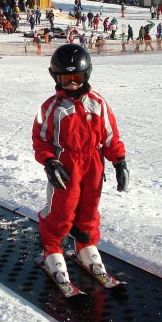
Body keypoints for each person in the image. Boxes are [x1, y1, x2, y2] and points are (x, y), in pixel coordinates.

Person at [32, 44, 128, 290]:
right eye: (66, 79)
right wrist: (50, 162)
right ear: (56, 78)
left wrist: (119, 161)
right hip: (66, 166)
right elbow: (41, 139)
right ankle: (52, 249)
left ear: (87, 76)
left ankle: (85, 244)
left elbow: (110, 136)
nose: (72, 84)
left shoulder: (98, 103)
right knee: (62, 211)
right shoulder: (51, 107)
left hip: (93, 164)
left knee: (89, 208)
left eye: (77, 78)